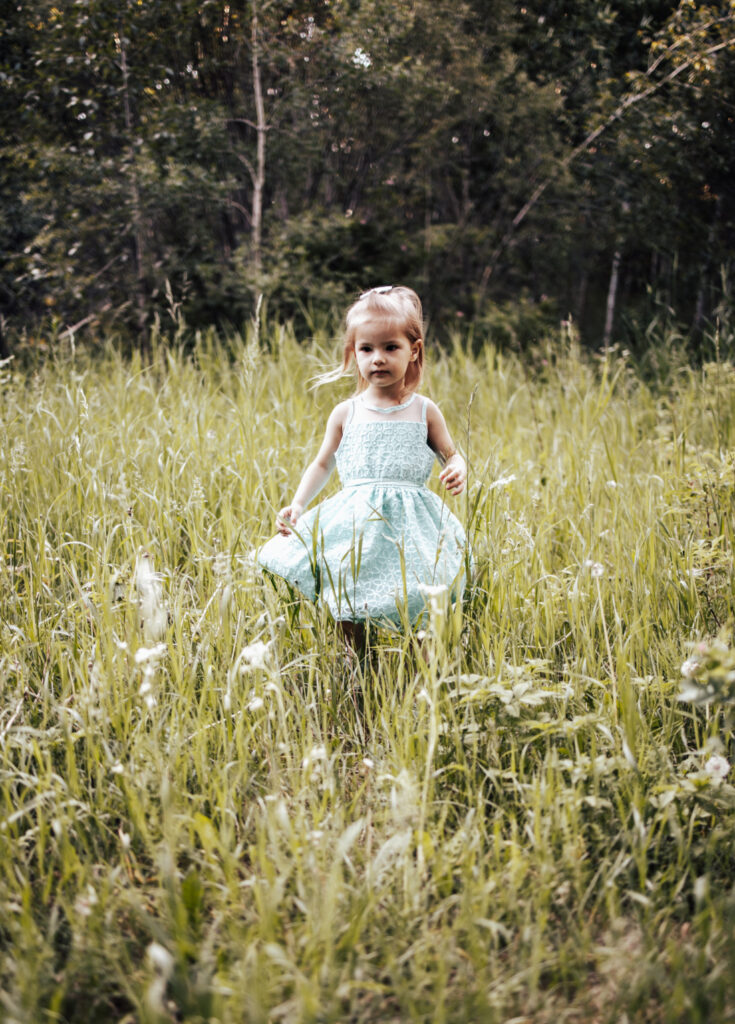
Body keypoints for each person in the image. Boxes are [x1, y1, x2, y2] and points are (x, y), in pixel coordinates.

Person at [258, 285, 468, 660]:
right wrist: (298, 503)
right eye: (366, 349)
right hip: (355, 522)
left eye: (391, 348)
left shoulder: (424, 410)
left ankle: (421, 675)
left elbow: (451, 454)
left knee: (420, 592)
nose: (378, 359)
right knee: (349, 592)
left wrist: (457, 468)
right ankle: (357, 669)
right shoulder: (346, 413)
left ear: (414, 350)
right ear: (353, 353)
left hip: (411, 525)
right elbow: (323, 462)